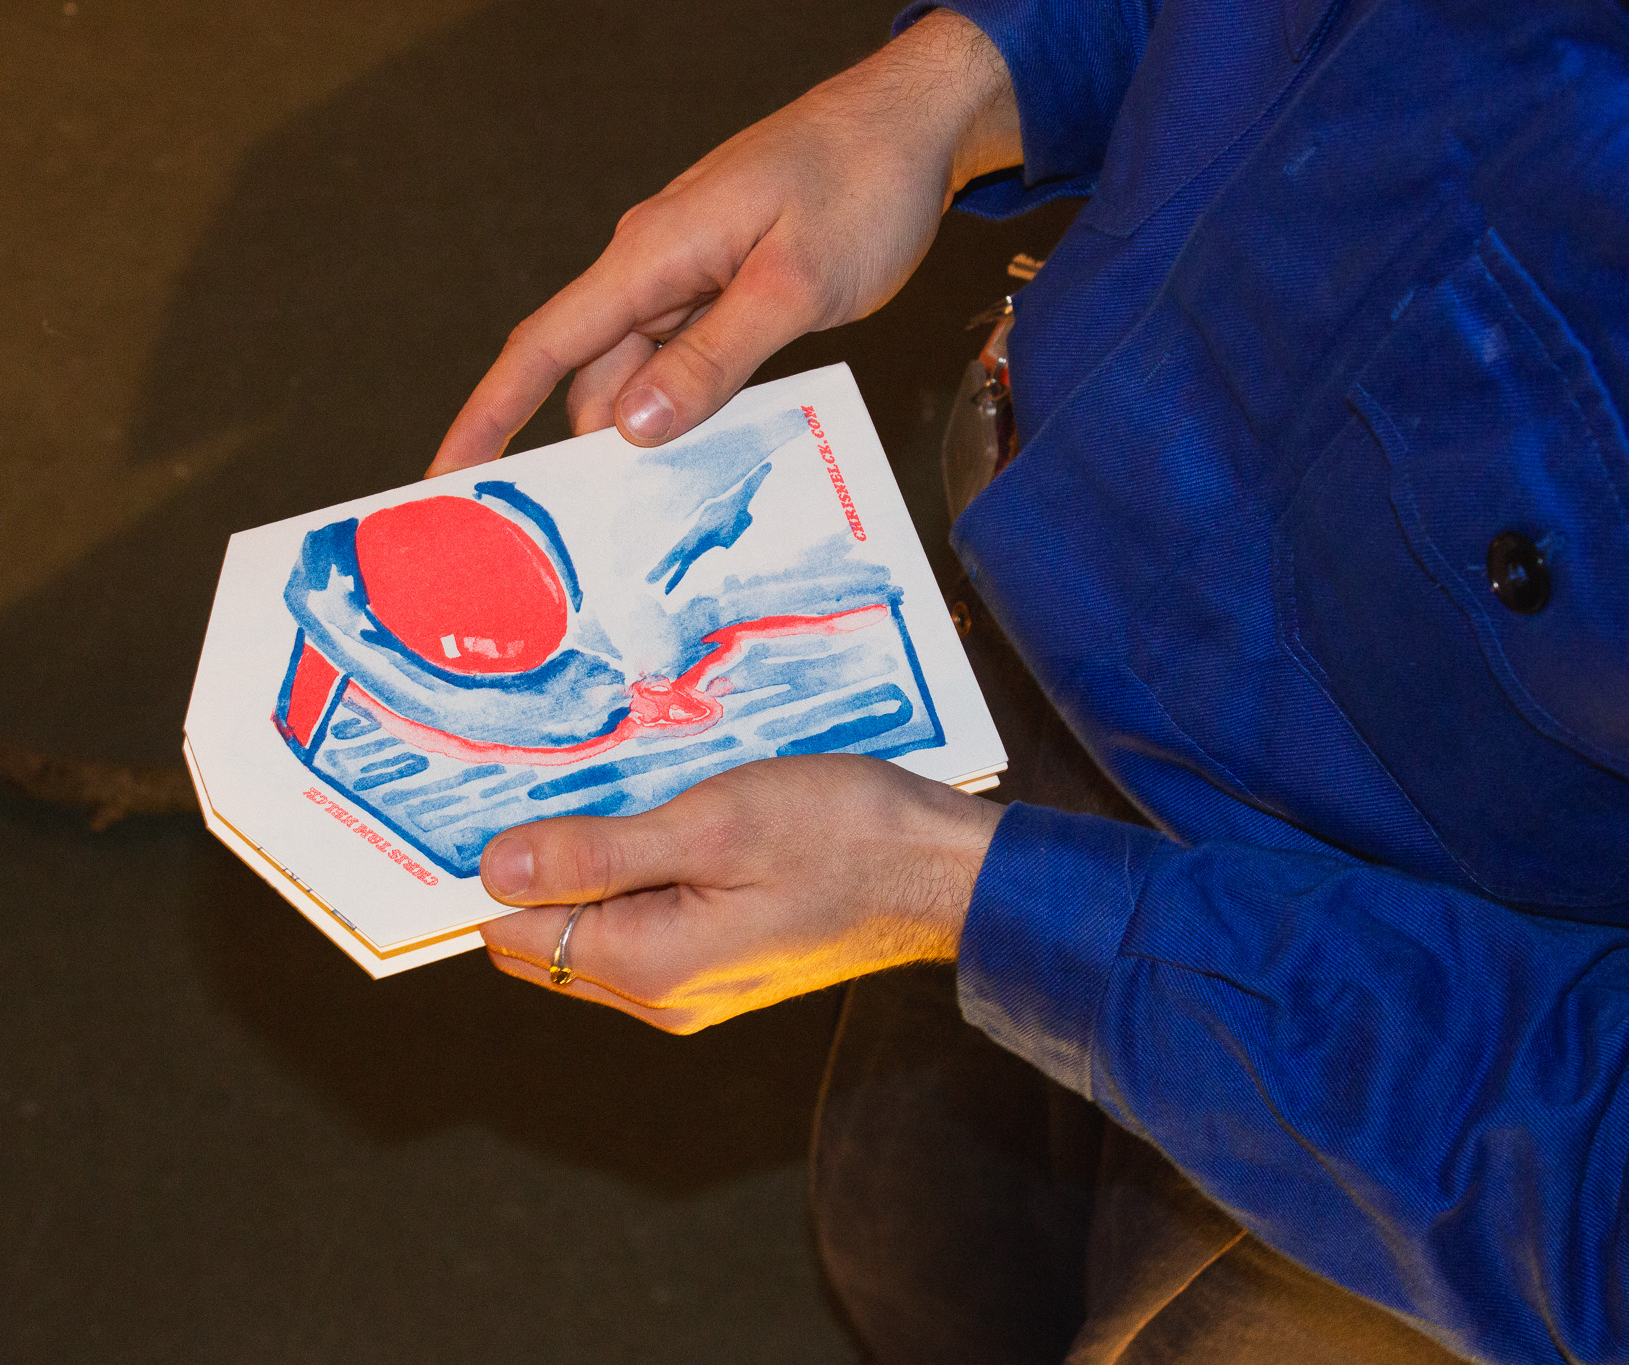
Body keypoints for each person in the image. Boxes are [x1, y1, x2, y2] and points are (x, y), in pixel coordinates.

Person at [428, 1, 1629, 1361]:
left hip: (1416, 1007)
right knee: (920, 1243)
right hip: (1041, 581)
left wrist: (977, 898)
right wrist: (965, 80)